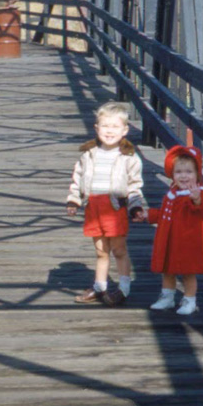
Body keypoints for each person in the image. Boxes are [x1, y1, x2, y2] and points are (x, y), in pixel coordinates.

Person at [65, 101, 146, 307]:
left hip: (115, 207)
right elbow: (78, 178)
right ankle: (100, 286)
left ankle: (124, 288)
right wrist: (74, 199)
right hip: (94, 207)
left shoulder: (129, 157)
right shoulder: (88, 154)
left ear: (125, 130)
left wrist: (136, 206)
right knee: (101, 250)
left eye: (115, 127)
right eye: (105, 126)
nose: (109, 131)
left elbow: (134, 185)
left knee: (118, 250)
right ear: (97, 128)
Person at [146, 145, 203, 316]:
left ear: (197, 174)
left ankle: (189, 299)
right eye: (179, 172)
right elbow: (165, 213)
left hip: (187, 241)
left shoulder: (199, 192)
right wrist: (149, 215)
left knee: (188, 272)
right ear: (172, 174)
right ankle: (167, 298)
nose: (184, 176)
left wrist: (196, 198)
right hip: (170, 239)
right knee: (167, 270)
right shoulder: (173, 191)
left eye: (189, 172)